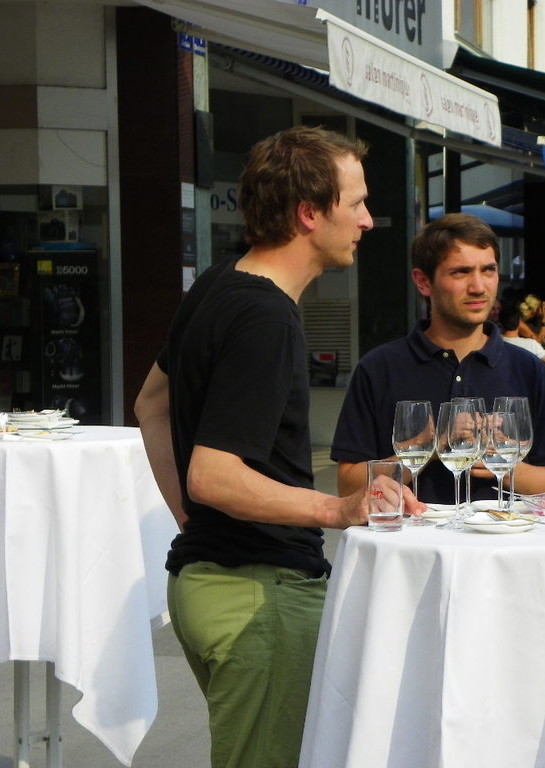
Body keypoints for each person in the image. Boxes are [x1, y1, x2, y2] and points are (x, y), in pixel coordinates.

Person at [134, 126, 416, 768]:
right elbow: (213, 475)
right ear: (309, 213)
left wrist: (194, 524)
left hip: (208, 582)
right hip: (259, 595)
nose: (368, 221)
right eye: (357, 204)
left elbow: (150, 404)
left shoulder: (218, 282)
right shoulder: (266, 317)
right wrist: (337, 509)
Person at [331, 213, 545, 504]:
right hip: (412, 532)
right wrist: (431, 448)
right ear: (423, 282)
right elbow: (348, 486)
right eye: (461, 272)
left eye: (489, 270)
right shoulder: (379, 367)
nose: (478, 287)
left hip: (505, 532)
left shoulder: (526, 368)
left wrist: (504, 465)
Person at [499, 304, 545, 389]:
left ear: (500, 323)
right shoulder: (531, 344)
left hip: (503, 386)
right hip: (528, 387)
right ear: (520, 323)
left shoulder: (493, 342)